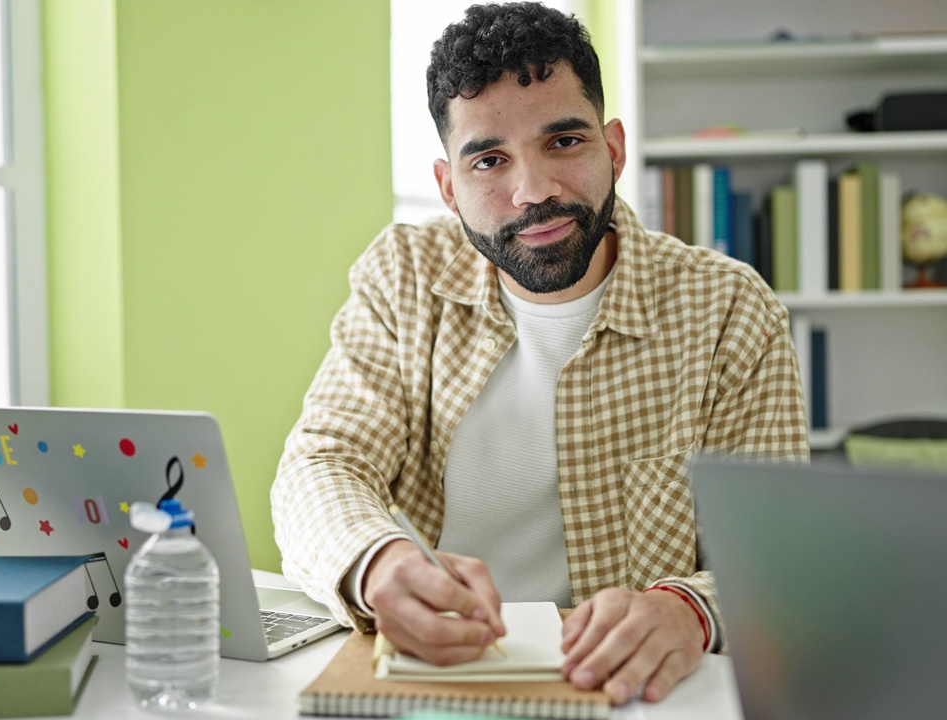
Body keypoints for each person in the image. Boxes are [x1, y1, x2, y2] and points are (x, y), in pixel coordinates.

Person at [271, 1, 808, 705]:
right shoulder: (404, 276)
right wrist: (378, 564)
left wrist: (688, 609)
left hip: (636, 696)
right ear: (448, 187)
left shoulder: (730, 309)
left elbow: (780, 563)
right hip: (435, 688)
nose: (535, 192)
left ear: (613, 148)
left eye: (563, 143)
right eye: (489, 160)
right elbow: (321, 463)